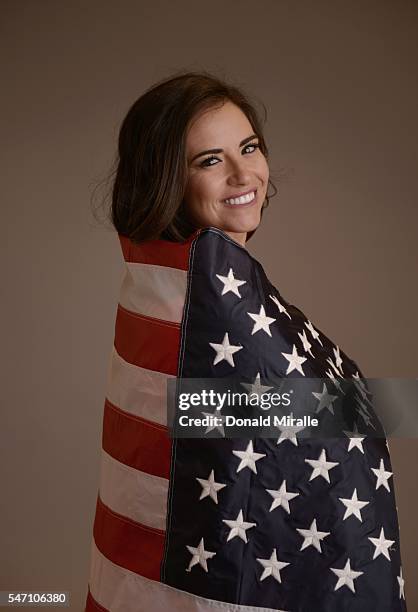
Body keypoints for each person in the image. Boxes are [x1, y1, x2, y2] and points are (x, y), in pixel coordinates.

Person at [85, 71, 407, 611]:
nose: (244, 174)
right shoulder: (208, 308)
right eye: (209, 160)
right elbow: (210, 411)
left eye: (249, 147)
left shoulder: (175, 283)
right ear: (168, 180)